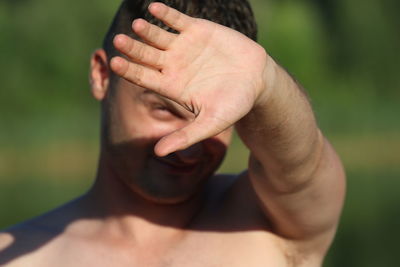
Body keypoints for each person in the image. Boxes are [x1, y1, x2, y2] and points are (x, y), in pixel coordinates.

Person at [0, 0, 345, 266]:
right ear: (103, 76)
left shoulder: (269, 222)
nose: (187, 145)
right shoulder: (17, 255)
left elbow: (304, 166)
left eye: (216, 119)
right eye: (163, 109)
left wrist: (266, 84)